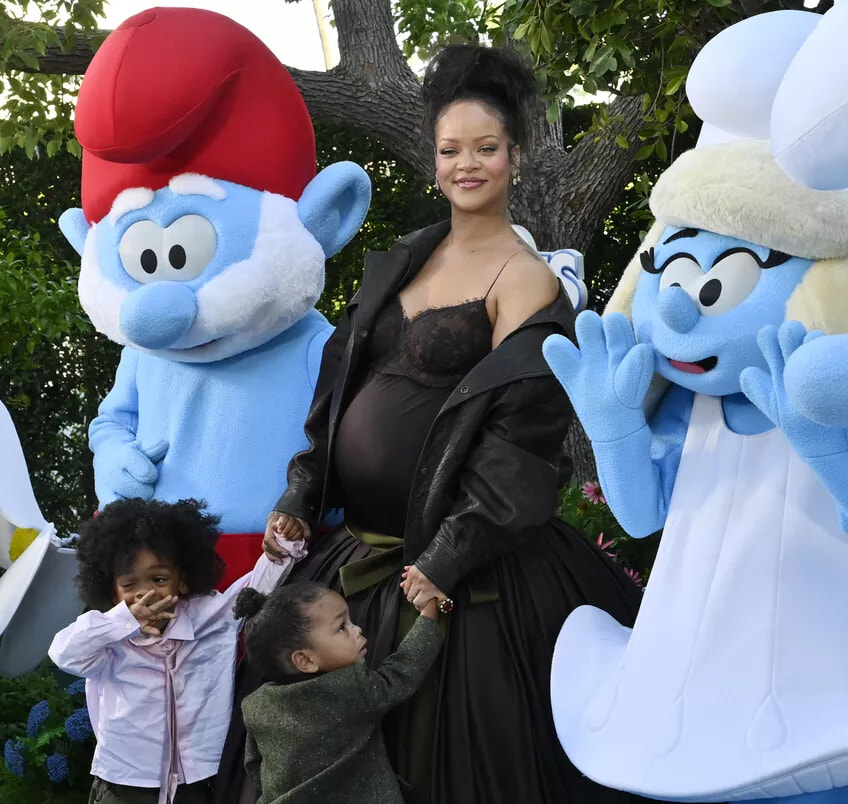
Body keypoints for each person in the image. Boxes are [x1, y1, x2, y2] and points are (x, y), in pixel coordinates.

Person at [216, 43, 643, 804]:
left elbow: (522, 444)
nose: (465, 164)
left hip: (463, 568)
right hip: (358, 552)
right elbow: (339, 389)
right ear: (434, 160)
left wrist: (448, 555)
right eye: (450, 150)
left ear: (514, 156)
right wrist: (303, 489)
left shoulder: (526, 279)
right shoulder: (406, 258)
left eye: (485, 148)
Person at [48, 498, 306, 804]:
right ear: (112, 591)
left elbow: (258, 586)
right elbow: (63, 653)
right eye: (129, 584)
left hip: (197, 781)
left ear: (182, 581)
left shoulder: (211, 615)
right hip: (125, 782)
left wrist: (282, 541)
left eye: (158, 579)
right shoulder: (105, 636)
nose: (145, 592)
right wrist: (123, 620)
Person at [235, 582, 443, 803]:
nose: (357, 629)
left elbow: (254, 765)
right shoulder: (351, 689)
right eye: (342, 627)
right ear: (305, 660)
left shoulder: (255, 705)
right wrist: (429, 614)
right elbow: (402, 671)